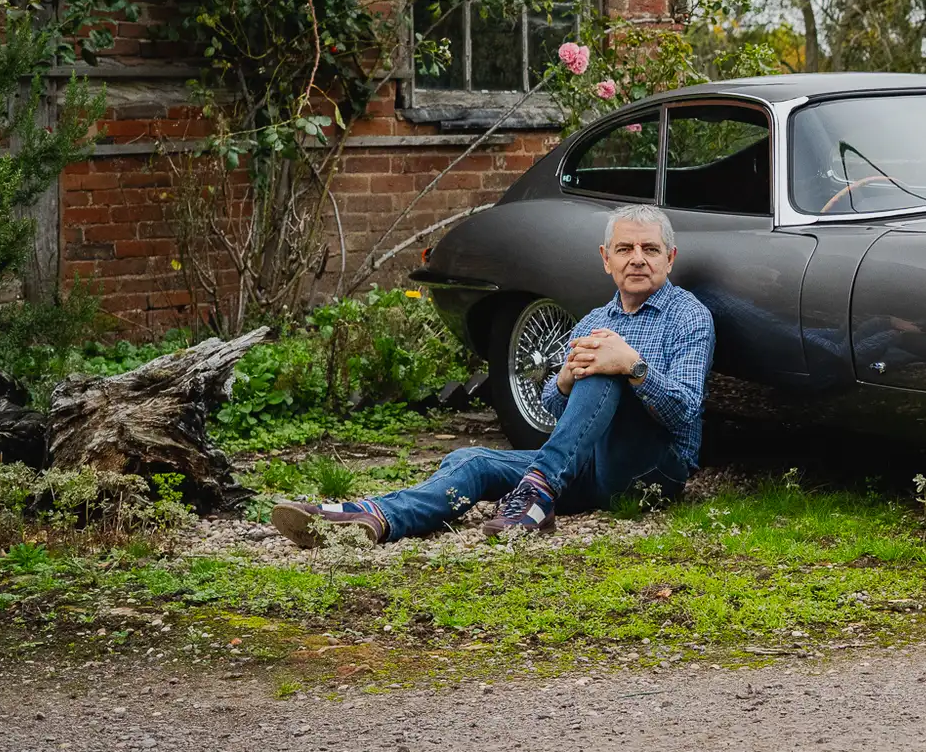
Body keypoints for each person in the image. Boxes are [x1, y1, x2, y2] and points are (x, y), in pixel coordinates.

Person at [270, 204, 714, 546]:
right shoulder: (593, 320)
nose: (637, 259)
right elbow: (559, 410)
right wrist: (562, 382)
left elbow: (685, 412)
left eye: (649, 249)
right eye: (625, 249)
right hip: (584, 467)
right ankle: (371, 518)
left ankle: (538, 492)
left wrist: (631, 366)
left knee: (605, 368)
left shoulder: (690, 317)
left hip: (651, 470)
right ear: (606, 259)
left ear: (669, 258)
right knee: (472, 461)